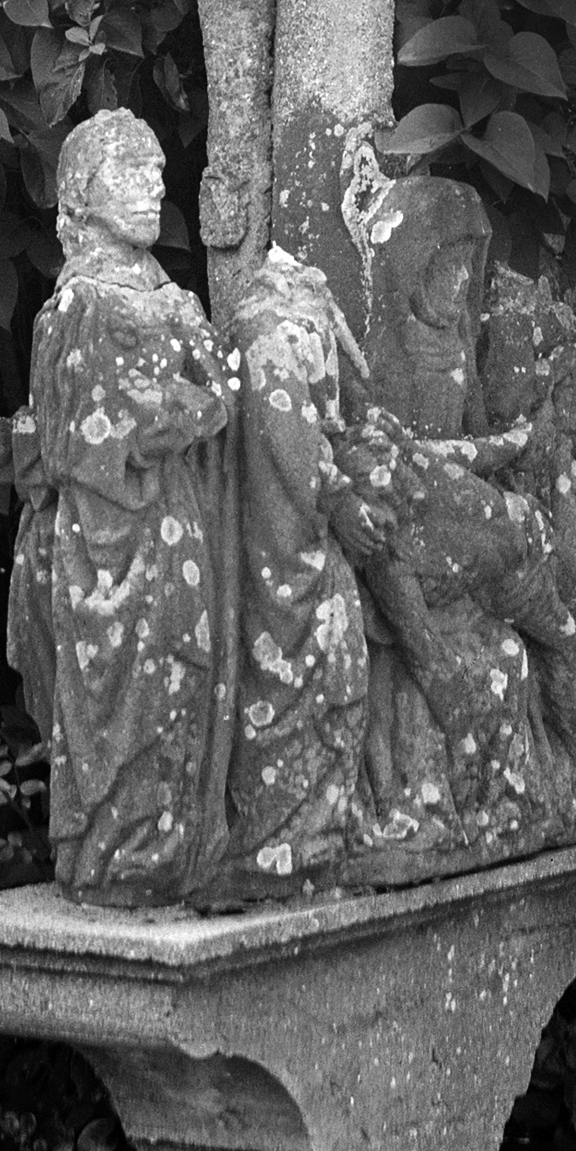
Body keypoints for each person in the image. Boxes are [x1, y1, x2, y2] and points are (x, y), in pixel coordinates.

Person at [0, 109, 238, 901]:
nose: (153, 185)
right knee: (112, 697)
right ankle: (112, 857)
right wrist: (170, 413)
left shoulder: (173, 298)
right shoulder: (77, 306)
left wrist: (165, 411)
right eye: (131, 170)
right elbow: (71, 443)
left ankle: (171, 852)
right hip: (106, 536)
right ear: (82, 192)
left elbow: (221, 395)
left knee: (182, 679)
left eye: (157, 170)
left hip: (178, 523)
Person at [223, 247, 387, 884]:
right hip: (284, 538)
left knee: (341, 669)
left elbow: (320, 428)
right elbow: (292, 441)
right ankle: (287, 837)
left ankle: (327, 824)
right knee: (300, 673)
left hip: (307, 536)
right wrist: (340, 499)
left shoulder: (287, 325)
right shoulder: (269, 334)